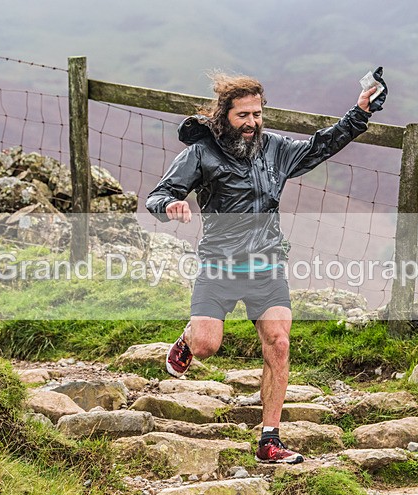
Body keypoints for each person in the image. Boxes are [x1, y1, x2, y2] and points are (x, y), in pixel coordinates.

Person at [145, 69, 387, 464]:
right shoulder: (200, 154)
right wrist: (169, 205)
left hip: (266, 264)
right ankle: (189, 340)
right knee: (207, 345)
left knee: (279, 342)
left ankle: (269, 440)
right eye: (243, 115)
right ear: (225, 116)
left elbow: (319, 146)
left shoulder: (274, 148)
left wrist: (359, 113)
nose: (252, 123)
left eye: (258, 114)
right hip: (219, 267)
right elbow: (160, 193)